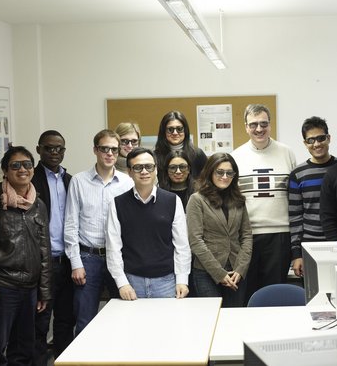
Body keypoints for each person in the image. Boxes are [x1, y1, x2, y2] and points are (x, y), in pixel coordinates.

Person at [0, 146, 51, 365]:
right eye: (15, 165)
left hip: (30, 289)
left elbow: (44, 249)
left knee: (24, 350)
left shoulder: (39, 205)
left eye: (27, 164)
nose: (22, 170)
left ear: (33, 170)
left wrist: (44, 292)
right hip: (1, 287)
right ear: (5, 171)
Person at [64, 129, 133, 336]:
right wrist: (76, 263)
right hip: (88, 259)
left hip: (119, 259)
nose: (110, 154)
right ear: (95, 150)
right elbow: (70, 224)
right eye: (105, 149)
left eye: (114, 149)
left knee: (123, 315)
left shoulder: (127, 183)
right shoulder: (79, 181)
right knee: (85, 320)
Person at [106, 148, 191, 300]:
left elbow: (182, 245)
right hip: (131, 282)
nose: (144, 171)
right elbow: (113, 247)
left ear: (156, 170)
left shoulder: (172, 201)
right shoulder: (117, 204)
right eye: (138, 167)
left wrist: (182, 280)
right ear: (129, 172)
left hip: (166, 282)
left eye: (149, 166)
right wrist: (122, 283)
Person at [231, 104, 296, 303]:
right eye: (253, 124)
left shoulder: (286, 153)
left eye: (263, 124)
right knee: (248, 291)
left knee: (274, 291)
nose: (259, 129)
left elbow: (294, 196)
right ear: (246, 127)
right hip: (248, 236)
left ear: (270, 124)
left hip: (280, 234)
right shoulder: (236, 156)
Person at [186, 153, 252, 307]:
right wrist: (219, 273)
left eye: (229, 173)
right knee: (212, 320)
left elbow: (247, 235)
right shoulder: (197, 200)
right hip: (206, 273)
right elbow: (195, 240)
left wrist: (241, 269)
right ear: (210, 172)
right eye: (219, 172)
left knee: (233, 321)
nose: (225, 176)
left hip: (236, 272)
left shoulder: (238, 200)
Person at [32, 130, 74, 364]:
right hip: (42, 264)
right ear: (39, 149)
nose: (55, 152)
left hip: (67, 261)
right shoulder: (30, 178)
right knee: (39, 321)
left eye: (59, 148)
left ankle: (63, 360)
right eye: (49, 148)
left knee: (66, 320)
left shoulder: (70, 180)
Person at [288, 117, 337, 278]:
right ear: (305, 143)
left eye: (321, 138)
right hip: (311, 247)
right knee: (313, 298)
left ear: (328, 138)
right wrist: (297, 254)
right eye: (311, 140)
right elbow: (295, 216)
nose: (317, 144)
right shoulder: (298, 174)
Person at [154, 110, 207, 180]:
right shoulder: (155, 156)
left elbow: (206, 179)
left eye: (179, 129)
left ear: (185, 131)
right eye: (170, 129)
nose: (175, 133)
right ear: (164, 132)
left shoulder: (198, 154)